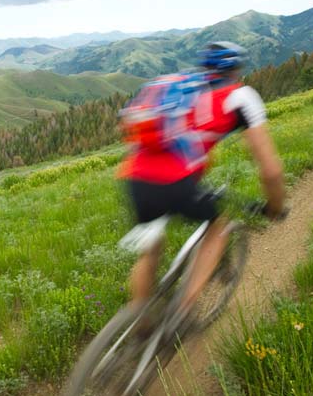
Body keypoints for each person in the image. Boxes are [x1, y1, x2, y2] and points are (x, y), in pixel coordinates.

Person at [118, 41, 286, 320]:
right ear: (236, 70)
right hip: (178, 182)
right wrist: (275, 206)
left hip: (136, 176)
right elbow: (271, 171)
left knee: (150, 248)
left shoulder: (179, 85)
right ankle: (182, 316)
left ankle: (140, 323)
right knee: (217, 229)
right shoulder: (240, 96)